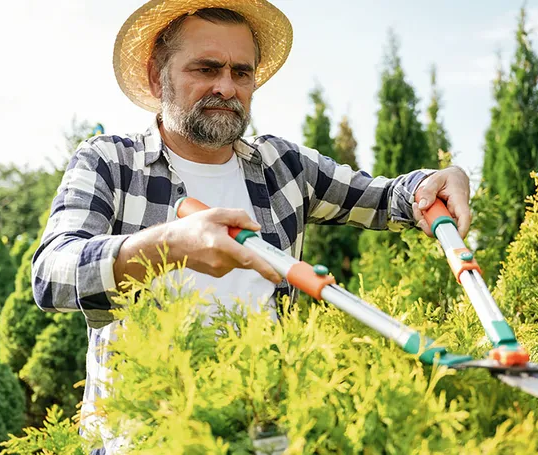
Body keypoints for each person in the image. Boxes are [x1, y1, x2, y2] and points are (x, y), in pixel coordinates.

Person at [31, 0, 471, 452]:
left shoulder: (284, 166)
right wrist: (168, 246)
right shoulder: (109, 163)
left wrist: (438, 181)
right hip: (144, 439)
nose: (226, 87)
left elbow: (389, 198)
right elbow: (50, 275)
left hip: (266, 435)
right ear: (154, 76)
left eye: (241, 72)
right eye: (206, 68)